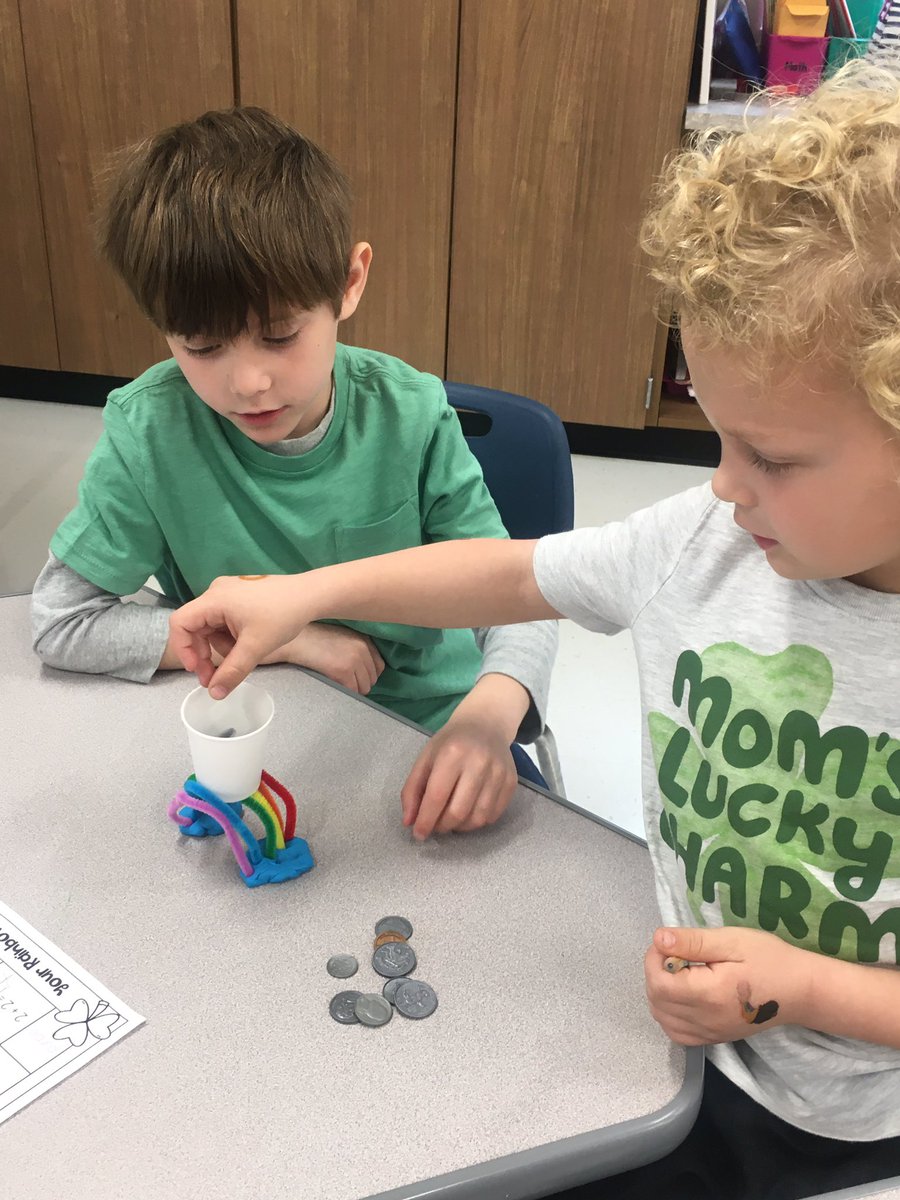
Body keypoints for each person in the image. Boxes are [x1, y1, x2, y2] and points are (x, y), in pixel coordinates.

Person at [168, 65, 900, 1198]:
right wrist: (304, 597)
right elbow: (508, 574)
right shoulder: (707, 537)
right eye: (719, 437)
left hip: (835, 1117)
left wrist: (799, 989)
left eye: (775, 457)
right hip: (670, 1034)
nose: (724, 487)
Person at [31, 106, 558, 841]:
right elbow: (63, 621)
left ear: (348, 282)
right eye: (202, 346)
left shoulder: (409, 416)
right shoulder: (151, 432)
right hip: (254, 740)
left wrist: (490, 716)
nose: (248, 383)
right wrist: (288, 641)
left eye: (280, 335)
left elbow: (522, 595)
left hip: (421, 734)